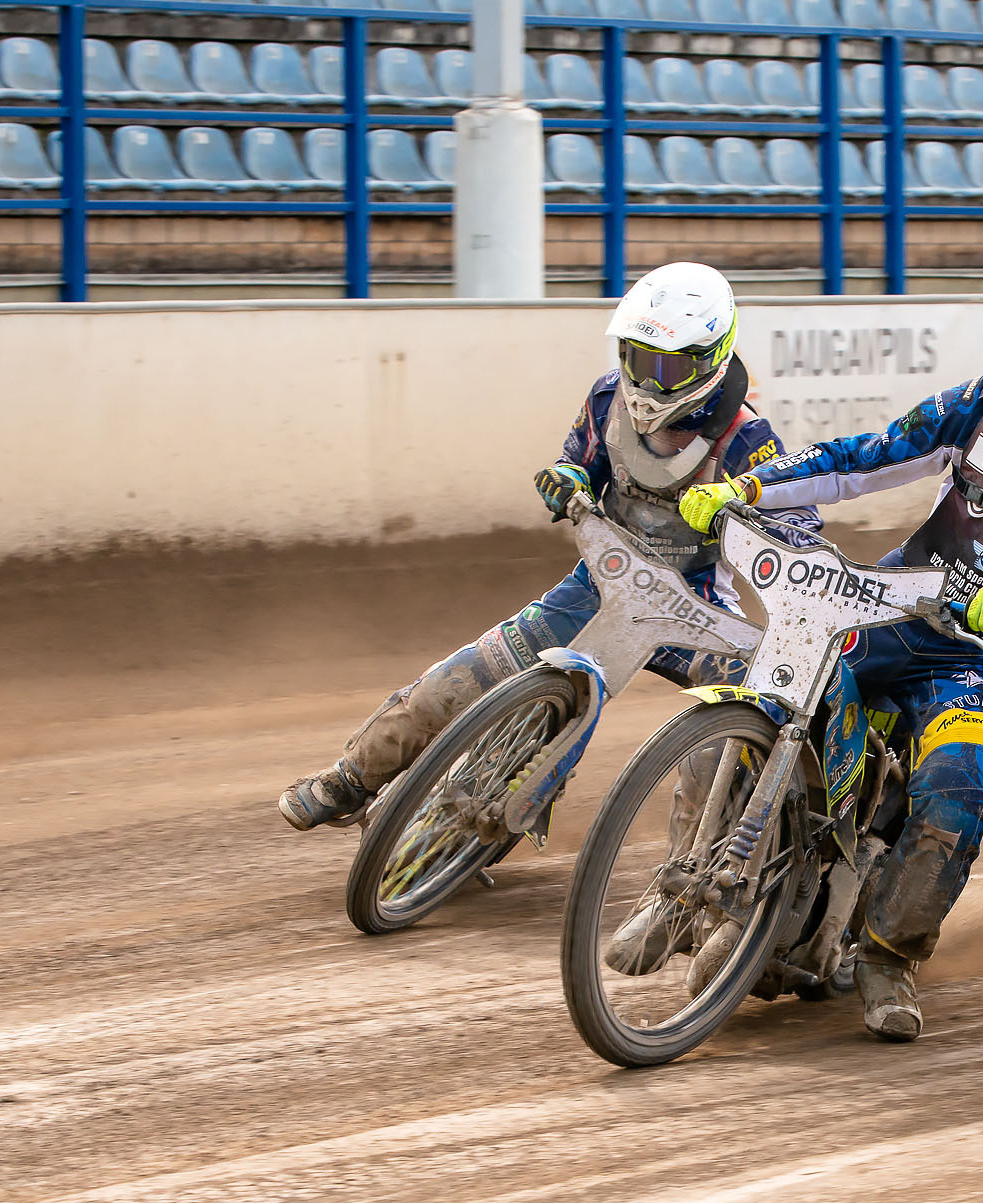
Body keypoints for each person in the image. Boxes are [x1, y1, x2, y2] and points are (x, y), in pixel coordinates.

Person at [678, 277, 983, 1043]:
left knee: (959, 788)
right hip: (888, 604)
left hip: (977, 654)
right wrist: (750, 487)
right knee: (767, 688)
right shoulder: (981, 406)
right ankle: (691, 875)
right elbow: (862, 459)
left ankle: (888, 955)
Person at [277, 262, 816, 831]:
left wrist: (764, 529)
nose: (649, 382)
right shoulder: (608, 399)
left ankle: (695, 876)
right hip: (599, 586)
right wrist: (568, 481)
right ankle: (350, 777)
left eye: (669, 366)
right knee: (453, 684)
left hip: (695, 610)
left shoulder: (750, 441)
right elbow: (576, 464)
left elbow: (799, 524)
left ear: (712, 357)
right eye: (638, 359)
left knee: (731, 731)